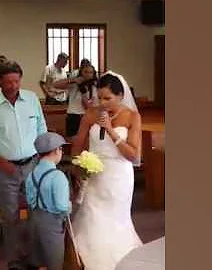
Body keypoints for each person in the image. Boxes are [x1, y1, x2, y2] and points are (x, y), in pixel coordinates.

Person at [0, 60, 48, 270]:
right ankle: (15, 261)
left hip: (33, 164)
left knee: (37, 212)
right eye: (8, 82)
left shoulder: (32, 99)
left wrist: (43, 158)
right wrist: (1, 162)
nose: (13, 86)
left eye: (16, 81)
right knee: (10, 217)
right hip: (5, 168)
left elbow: (41, 128)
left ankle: (35, 258)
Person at [70, 72, 143, 270]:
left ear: (120, 96)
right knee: (92, 215)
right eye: (99, 97)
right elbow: (78, 144)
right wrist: (78, 168)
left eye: (107, 98)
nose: (102, 102)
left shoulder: (132, 117)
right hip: (94, 174)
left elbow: (134, 156)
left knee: (116, 220)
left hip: (119, 176)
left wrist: (111, 131)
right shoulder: (91, 114)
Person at [25, 132, 71, 270]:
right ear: (56, 150)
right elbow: (62, 206)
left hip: (34, 220)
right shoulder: (58, 176)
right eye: (61, 149)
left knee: (38, 260)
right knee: (54, 262)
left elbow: (29, 199)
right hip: (52, 223)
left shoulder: (31, 174)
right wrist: (71, 205)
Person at [66, 63, 98, 138]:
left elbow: (88, 106)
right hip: (73, 117)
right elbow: (55, 85)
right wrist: (73, 80)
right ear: (81, 73)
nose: (88, 75)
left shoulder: (95, 87)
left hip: (87, 116)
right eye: (86, 72)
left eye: (91, 72)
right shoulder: (74, 84)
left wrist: (84, 93)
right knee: (73, 142)